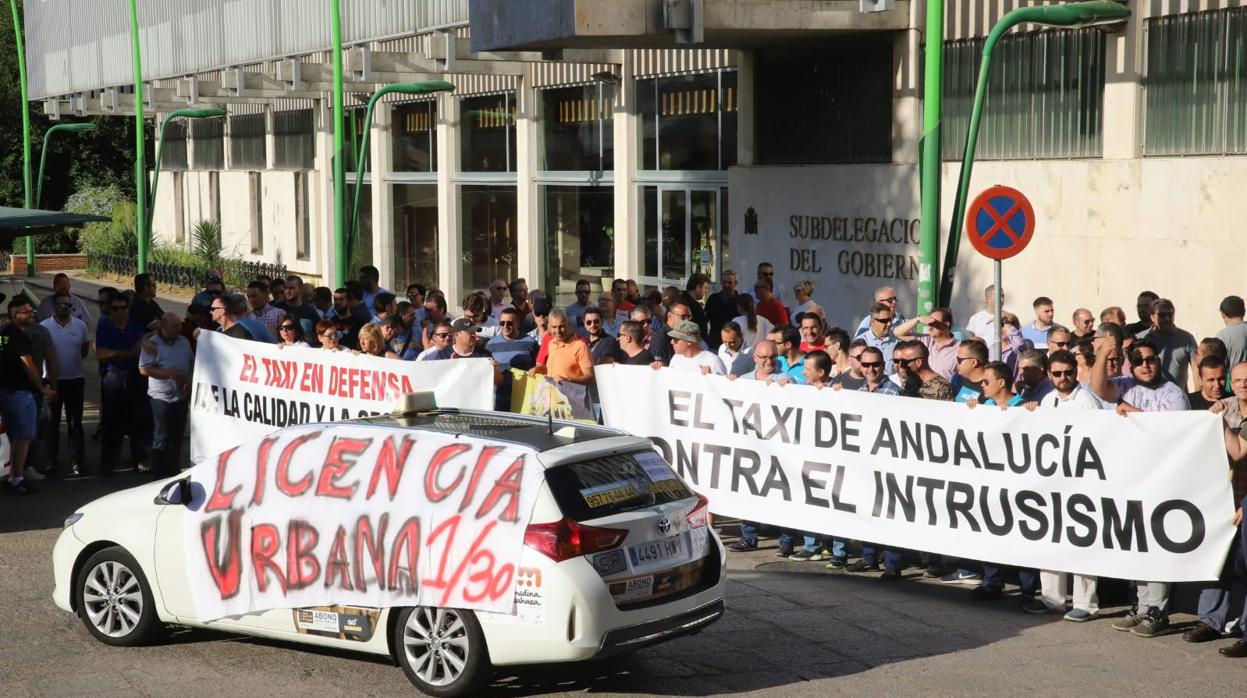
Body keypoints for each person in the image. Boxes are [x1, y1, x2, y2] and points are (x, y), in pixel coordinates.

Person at [1090, 337, 1189, 637]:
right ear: (1129, 365)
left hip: (1161, 478)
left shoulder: (1173, 394)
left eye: (1150, 359)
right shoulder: (1123, 385)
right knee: (1137, 544)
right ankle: (1143, 605)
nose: (1145, 365)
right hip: (1130, 478)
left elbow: (1172, 436)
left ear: (1159, 361)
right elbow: (1097, 387)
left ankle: (1159, 610)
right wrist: (1104, 352)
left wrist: (1135, 414)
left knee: (1156, 544)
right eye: (1138, 361)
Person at [1021, 349, 1102, 620]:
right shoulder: (1047, 399)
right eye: (1057, 373)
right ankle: (1052, 598)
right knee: (1051, 537)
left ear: (1075, 372)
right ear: (1049, 375)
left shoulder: (1087, 401)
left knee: (1081, 541)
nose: (1063, 378)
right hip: (1053, 480)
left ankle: (1085, 603)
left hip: (1081, 479)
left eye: (1068, 372)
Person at [1196, 362, 1247, 656]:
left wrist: (1221, 423)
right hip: (1221, 499)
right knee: (1216, 560)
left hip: (1244, 498)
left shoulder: (1224, 415)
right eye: (1237, 380)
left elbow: (1238, 451)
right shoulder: (1223, 405)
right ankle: (1210, 621)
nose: (1242, 384)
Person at [1, 297, 56, 494]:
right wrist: (42, 388)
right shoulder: (19, 337)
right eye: (26, 312)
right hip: (20, 393)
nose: (31, 313)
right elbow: (30, 365)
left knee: (15, 437)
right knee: (23, 437)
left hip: (7, 391)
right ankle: (17, 478)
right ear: (16, 316)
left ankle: (13, 476)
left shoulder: (3, 333)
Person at [95, 291, 148, 477]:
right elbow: (101, 353)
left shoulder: (135, 328)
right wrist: (124, 352)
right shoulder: (104, 327)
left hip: (133, 377)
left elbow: (137, 353)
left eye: (123, 308)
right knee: (111, 423)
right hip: (113, 378)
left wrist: (114, 353)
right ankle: (108, 464)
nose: (120, 311)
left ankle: (139, 459)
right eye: (115, 308)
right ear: (110, 309)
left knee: (136, 420)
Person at [138, 312, 193, 478]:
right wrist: (168, 374)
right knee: (162, 436)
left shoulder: (183, 341)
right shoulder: (152, 344)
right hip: (161, 396)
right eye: (175, 326)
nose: (179, 329)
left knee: (177, 435)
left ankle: (173, 470)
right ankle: (160, 475)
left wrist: (188, 379)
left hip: (181, 396)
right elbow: (144, 369)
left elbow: (191, 363)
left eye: (180, 325)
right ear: (163, 327)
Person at [41, 291, 90, 476]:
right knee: (51, 423)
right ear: (54, 307)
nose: (65, 308)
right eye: (61, 305)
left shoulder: (80, 326)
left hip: (75, 380)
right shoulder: (44, 327)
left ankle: (77, 461)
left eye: (68, 305)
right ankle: (51, 461)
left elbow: (84, 351)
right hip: (51, 381)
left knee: (75, 423)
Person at [1135, 297, 1198, 390]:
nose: (1167, 318)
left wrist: (1197, 396)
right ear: (1152, 317)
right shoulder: (1140, 338)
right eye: (1162, 315)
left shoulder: (1186, 338)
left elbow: (1196, 370)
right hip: (1149, 398)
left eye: (1170, 314)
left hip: (1178, 399)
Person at [487, 308, 539, 409]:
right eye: (502, 323)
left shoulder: (531, 342)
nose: (505, 326)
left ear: (518, 323)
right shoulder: (491, 344)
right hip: (500, 399)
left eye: (510, 323)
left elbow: (537, 367)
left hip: (525, 398)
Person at [531, 310, 593, 385]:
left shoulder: (581, 346)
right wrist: (539, 369)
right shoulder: (551, 344)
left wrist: (568, 380)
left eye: (561, 326)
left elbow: (590, 377)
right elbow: (554, 370)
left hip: (572, 395)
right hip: (553, 395)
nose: (558, 331)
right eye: (554, 327)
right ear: (549, 327)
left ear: (568, 325)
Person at [895, 308, 960, 380]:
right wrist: (917, 319)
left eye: (933, 323)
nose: (929, 327)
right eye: (928, 324)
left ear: (946, 324)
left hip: (945, 389)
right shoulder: (925, 340)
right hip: (922, 389)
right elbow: (898, 333)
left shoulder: (959, 348)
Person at [861, 302, 899, 374]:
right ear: (873, 321)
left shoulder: (897, 340)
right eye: (884, 321)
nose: (889, 324)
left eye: (890, 320)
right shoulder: (862, 341)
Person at [705, 270, 741, 348]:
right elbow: (705, 320)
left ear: (735, 283)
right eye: (724, 282)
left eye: (730, 282)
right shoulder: (713, 299)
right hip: (713, 342)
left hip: (732, 344)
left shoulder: (740, 302)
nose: (727, 285)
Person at [950, 338, 989, 403]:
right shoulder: (956, 378)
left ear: (973, 362)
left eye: (959, 360)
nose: (956, 363)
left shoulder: (991, 386)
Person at [678, 273, 711, 342]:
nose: (706, 291)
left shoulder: (681, 299)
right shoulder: (692, 306)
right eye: (705, 288)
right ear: (698, 287)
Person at [1217, 295, 1247, 368]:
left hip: (1233, 378)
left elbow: (1218, 365)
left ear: (1223, 315)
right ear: (1244, 311)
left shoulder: (1222, 336)